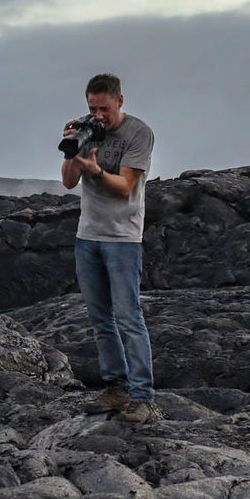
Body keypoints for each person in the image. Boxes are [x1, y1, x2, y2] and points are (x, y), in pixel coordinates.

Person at [60, 72, 159, 424]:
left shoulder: (138, 133)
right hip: (88, 235)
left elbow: (125, 186)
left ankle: (143, 397)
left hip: (122, 239)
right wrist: (74, 146)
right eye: (92, 107)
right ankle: (115, 388)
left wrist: (97, 171)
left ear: (120, 101)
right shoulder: (87, 130)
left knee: (129, 317)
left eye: (104, 107)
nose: (98, 114)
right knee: (101, 319)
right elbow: (69, 181)